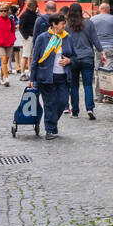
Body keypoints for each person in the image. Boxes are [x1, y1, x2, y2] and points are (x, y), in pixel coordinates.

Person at [29, 12, 71, 140]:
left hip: (63, 76)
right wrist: (32, 78)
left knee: (63, 102)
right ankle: (50, 130)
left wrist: (69, 61)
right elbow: (35, 58)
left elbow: (74, 55)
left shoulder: (67, 38)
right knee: (50, 103)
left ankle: (52, 123)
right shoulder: (42, 38)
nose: (64, 26)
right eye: (62, 24)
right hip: (46, 76)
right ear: (54, 24)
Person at [61, 3, 102, 121]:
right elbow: (95, 40)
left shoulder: (67, 26)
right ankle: (90, 108)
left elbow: (63, 43)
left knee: (73, 86)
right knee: (88, 85)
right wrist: (102, 52)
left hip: (72, 59)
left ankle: (75, 111)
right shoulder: (89, 23)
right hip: (87, 57)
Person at [88, 2, 113, 72]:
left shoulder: (92, 19)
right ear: (109, 10)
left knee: (98, 70)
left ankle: (98, 83)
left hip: (97, 48)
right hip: (111, 48)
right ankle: (108, 83)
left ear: (100, 9)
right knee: (109, 72)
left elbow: (89, 35)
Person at [18, 0, 39, 77]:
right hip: (28, 37)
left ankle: (30, 72)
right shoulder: (25, 15)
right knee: (25, 55)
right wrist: (26, 36)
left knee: (30, 56)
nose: (37, 7)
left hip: (32, 36)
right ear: (32, 6)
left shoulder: (33, 14)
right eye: (36, 6)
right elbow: (21, 27)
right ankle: (22, 73)